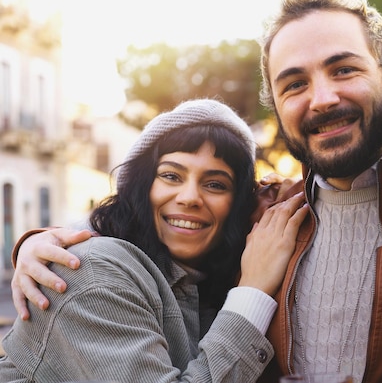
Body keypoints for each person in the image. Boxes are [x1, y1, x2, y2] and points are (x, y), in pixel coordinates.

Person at [10, 0, 382, 383]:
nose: (322, 98)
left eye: (344, 70)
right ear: (276, 105)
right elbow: (110, 254)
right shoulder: (262, 217)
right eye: (294, 83)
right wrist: (41, 248)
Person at [0, 98, 308, 382]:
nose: (189, 198)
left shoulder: (205, 280)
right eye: (171, 176)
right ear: (141, 185)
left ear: (238, 204)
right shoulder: (89, 272)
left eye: (215, 184)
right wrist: (253, 292)